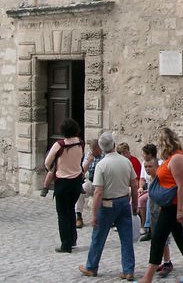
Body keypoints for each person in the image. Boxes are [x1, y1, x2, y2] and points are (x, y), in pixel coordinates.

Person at [139, 127, 183, 283]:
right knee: (181, 239)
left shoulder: (177, 158)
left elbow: (181, 186)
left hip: (174, 206)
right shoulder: (171, 158)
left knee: (158, 238)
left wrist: (180, 211)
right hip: (169, 205)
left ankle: (147, 277)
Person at [78, 132, 138, 279]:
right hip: (124, 201)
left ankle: (92, 267)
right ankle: (128, 270)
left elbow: (98, 192)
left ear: (101, 147)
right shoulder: (126, 162)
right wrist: (135, 205)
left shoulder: (102, 165)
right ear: (114, 144)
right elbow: (134, 185)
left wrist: (94, 214)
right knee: (126, 238)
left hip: (107, 204)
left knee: (98, 236)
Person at [45, 118, 85, 253]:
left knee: (62, 214)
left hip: (63, 182)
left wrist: (52, 169)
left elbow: (47, 162)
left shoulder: (59, 145)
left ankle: (66, 245)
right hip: (76, 181)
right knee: (70, 210)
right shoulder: (80, 143)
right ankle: (72, 239)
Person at [75, 139, 102, 229]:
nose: (94, 153)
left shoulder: (104, 155)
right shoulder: (89, 155)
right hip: (91, 181)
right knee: (79, 192)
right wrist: (89, 161)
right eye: (93, 150)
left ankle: (105, 217)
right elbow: (82, 171)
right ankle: (78, 216)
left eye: (96, 151)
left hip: (102, 184)